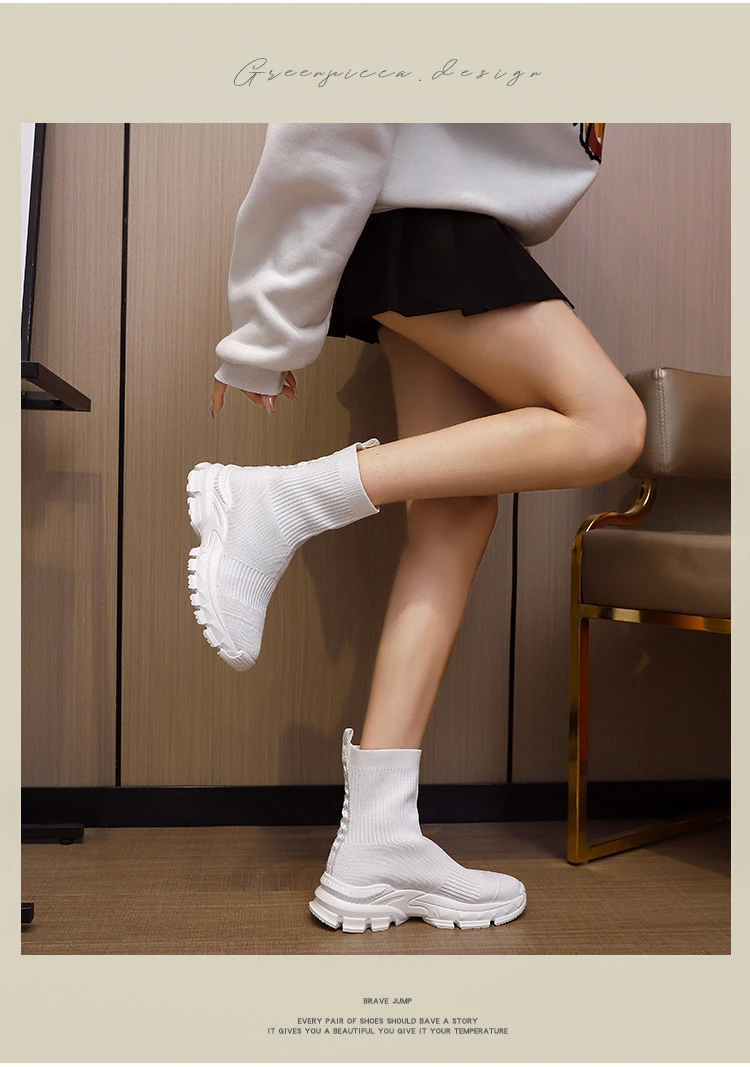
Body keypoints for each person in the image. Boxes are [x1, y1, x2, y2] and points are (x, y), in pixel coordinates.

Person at [186, 123, 646, 934]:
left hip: (448, 228)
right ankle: (282, 501)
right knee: (611, 424)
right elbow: (333, 108)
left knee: (453, 519)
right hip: (430, 231)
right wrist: (266, 326)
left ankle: (378, 842)